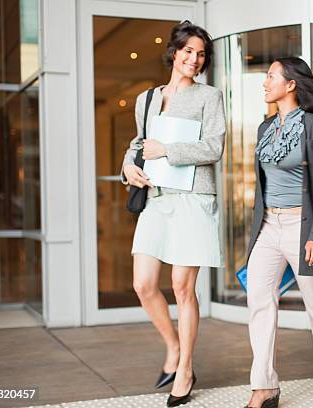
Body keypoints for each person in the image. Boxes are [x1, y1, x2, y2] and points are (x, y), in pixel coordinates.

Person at [120, 21, 225, 407]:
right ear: (174, 51)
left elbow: (215, 147)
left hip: (193, 199)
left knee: (183, 288)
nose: (193, 59)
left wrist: (168, 150)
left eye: (200, 54)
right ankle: (174, 346)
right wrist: (127, 167)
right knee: (144, 285)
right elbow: (137, 145)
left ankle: (184, 369)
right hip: (157, 198)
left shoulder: (208, 96)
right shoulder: (147, 99)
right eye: (188, 51)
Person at [244, 57, 313, 407]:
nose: (265, 82)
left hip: (303, 225)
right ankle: (265, 385)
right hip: (268, 226)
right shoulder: (264, 127)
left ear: (291, 85)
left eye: (271, 76)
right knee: (259, 300)